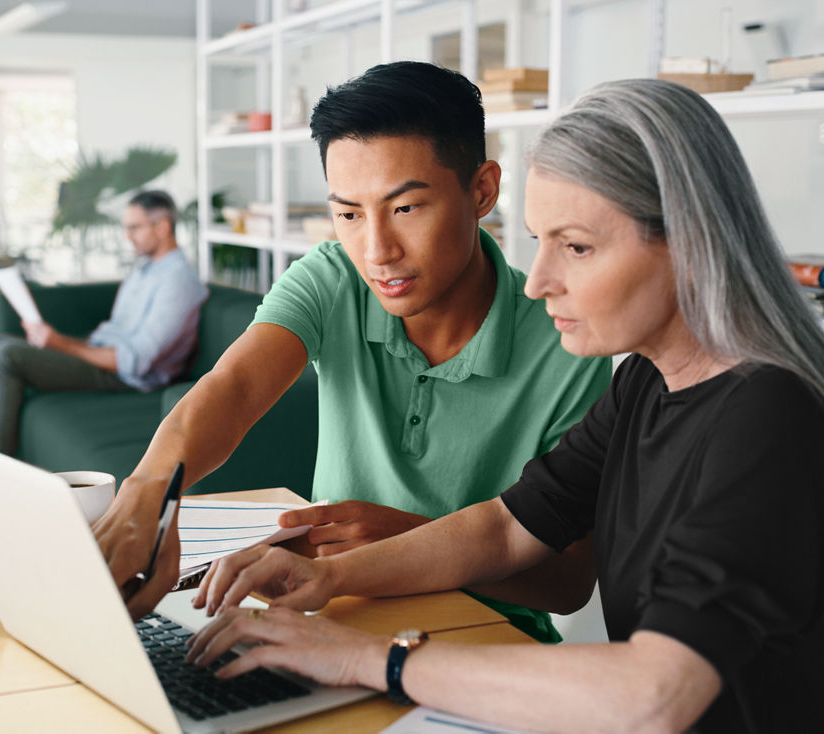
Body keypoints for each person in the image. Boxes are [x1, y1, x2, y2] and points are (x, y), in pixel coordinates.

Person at [183, 78, 824, 733]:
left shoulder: (767, 418)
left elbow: (656, 694)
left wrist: (370, 659)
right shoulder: (649, 383)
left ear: (690, 243)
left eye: (578, 248)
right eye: (539, 243)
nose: (538, 283)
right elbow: (506, 528)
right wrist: (331, 579)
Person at [93, 61, 612, 642]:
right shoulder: (334, 276)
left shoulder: (567, 342)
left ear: (483, 190)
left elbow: (568, 584)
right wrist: (147, 492)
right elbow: (234, 389)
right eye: (348, 214)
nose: (376, 251)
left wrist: (407, 538)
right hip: (326, 614)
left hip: (486, 637)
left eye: (406, 208)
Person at [0, 190, 206, 456]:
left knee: (8, 357)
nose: (127, 236)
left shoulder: (177, 281)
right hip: (102, 355)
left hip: (125, 377)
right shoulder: (145, 269)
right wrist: (60, 341)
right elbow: (115, 332)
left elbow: (136, 360)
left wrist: (60, 344)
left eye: (135, 228)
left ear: (162, 226)